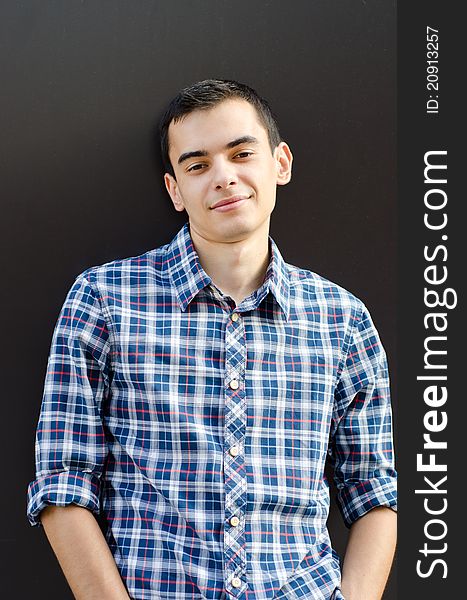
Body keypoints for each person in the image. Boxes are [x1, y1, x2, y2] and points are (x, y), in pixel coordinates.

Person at [27, 79, 397, 600]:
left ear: (280, 163)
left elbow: (373, 490)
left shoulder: (342, 319)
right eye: (197, 165)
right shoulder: (104, 300)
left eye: (241, 153)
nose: (224, 177)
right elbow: (64, 481)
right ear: (175, 189)